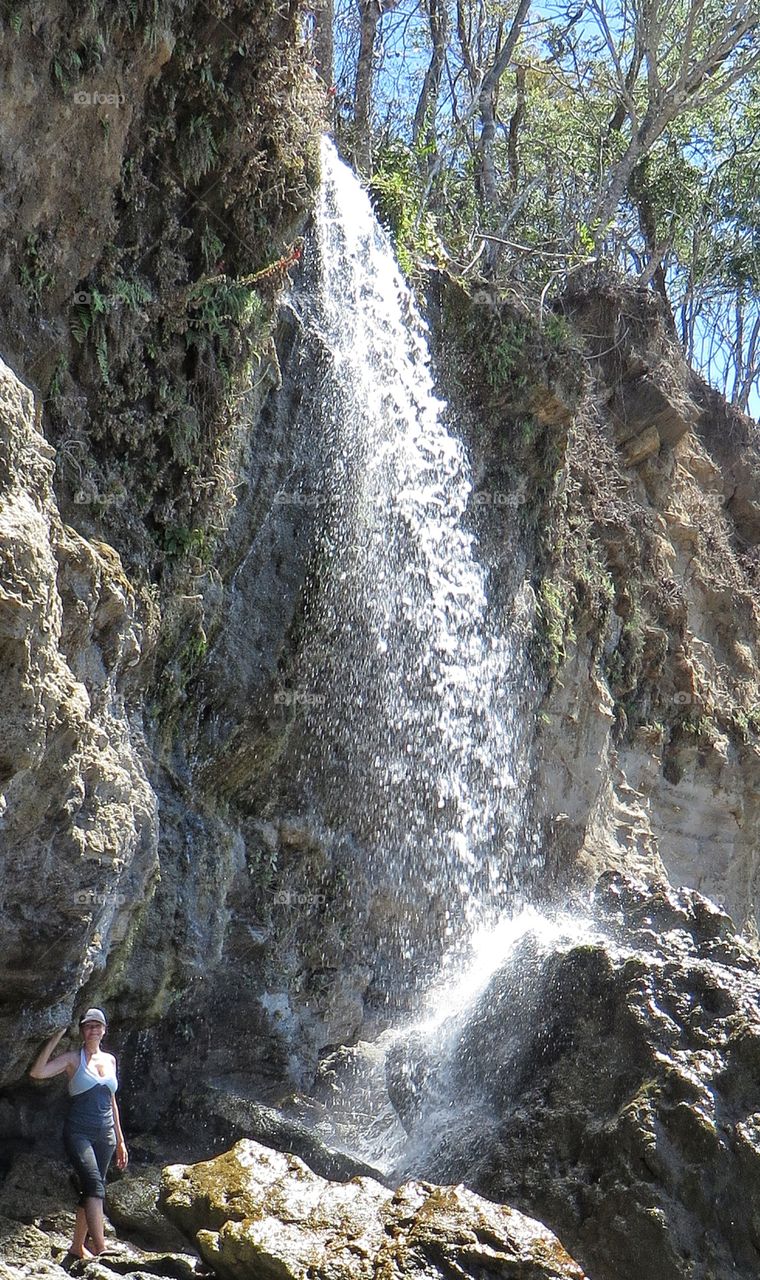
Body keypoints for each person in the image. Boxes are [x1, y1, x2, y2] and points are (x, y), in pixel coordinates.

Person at [29, 1007, 128, 1259]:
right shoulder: (73, 1059)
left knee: (91, 1187)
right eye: (88, 1026)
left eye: (97, 1025)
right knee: (95, 1185)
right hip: (79, 1132)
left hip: (106, 1134)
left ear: (104, 1030)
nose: (93, 1030)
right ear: (82, 1031)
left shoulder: (110, 1060)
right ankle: (102, 1247)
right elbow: (37, 1072)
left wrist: (120, 1140)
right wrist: (55, 1039)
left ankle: (77, 1247)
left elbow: (112, 1100)